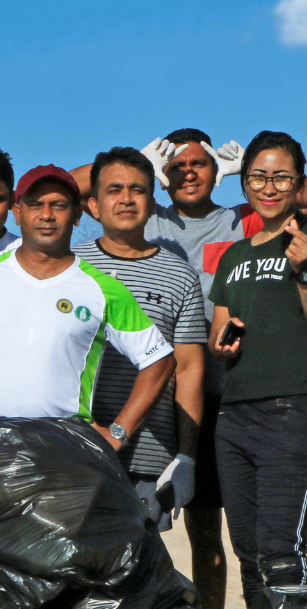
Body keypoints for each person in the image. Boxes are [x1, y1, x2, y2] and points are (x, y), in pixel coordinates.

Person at [207, 131, 307, 609]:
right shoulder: (233, 254)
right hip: (233, 416)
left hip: (291, 408)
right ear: (244, 182)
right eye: (257, 177)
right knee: (248, 554)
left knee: (281, 552)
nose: (268, 187)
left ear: (298, 182)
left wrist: (306, 270)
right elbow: (217, 338)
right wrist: (225, 344)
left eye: (281, 177)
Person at [0, 163, 175, 446]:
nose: (46, 215)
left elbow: (159, 361)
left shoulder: (104, 289)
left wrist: (118, 433)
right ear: (18, 213)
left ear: (77, 214)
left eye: (59, 205)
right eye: (35, 204)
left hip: (66, 455)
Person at [73, 148, 208, 538]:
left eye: (138, 190)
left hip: (149, 457)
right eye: (114, 189)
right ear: (94, 205)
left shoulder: (180, 276)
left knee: (138, 585)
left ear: (152, 203)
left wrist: (186, 456)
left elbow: (189, 369)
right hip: (74, 449)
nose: (127, 198)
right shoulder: (67, 268)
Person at [146, 128, 245, 609]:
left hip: (219, 396)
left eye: (199, 164)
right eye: (176, 166)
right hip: (153, 399)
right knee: (143, 528)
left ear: (217, 171)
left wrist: (248, 172)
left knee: (207, 533)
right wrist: (142, 166)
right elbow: (75, 193)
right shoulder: (145, 218)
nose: (188, 172)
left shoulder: (240, 221)